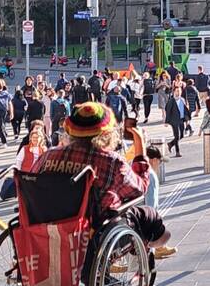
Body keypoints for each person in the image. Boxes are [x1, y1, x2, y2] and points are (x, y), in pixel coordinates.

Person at [36, 103, 172, 255]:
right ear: (106, 133)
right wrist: (139, 145)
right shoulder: (110, 161)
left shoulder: (47, 156)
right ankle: (146, 249)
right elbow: (139, 189)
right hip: (92, 233)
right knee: (149, 216)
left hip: (46, 229)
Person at [165, 84, 185, 157]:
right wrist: (166, 121)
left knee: (182, 135)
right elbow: (168, 110)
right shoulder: (171, 101)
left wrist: (187, 119)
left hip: (181, 119)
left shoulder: (182, 100)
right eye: (176, 91)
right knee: (177, 136)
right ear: (174, 92)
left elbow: (185, 109)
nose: (178, 93)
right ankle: (177, 151)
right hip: (174, 120)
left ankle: (171, 144)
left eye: (179, 91)